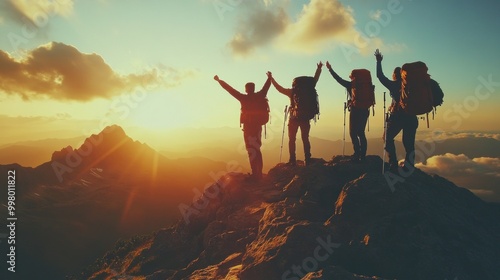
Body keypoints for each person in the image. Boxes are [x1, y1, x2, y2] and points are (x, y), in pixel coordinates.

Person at [214, 73, 271, 181]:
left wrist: (219, 81)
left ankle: (255, 175)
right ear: (253, 89)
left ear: (246, 90)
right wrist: (269, 78)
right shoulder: (260, 95)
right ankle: (258, 174)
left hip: (248, 128)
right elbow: (266, 87)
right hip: (258, 127)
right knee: (257, 150)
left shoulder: (243, 98)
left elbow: (230, 89)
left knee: (251, 150)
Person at [268, 62, 323, 166]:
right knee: (305, 138)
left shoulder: (292, 92)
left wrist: (271, 78)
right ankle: (307, 158)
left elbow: (279, 89)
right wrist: (319, 69)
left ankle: (292, 160)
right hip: (305, 117)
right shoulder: (309, 88)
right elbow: (315, 79)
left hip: (294, 118)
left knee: (292, 139)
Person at [374, 49, 418, 172]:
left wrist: (378, 62)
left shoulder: (393, 85)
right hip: (412, 117)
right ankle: (409, 168)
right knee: (409, 144)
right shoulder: (411, 86)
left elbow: (380, 76)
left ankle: (393, 163)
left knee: (387, 138)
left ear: (395, 75)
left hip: (398, 117)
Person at [325, 61, 369, 162]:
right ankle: (363, 155)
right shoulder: (366, 85)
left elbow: (338, 79)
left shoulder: (350, 85)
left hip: (355, 111)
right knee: (361, 133)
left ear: (353, 77)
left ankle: (357, 154)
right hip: (365, 110)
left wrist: (330, 69)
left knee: (353, 133)